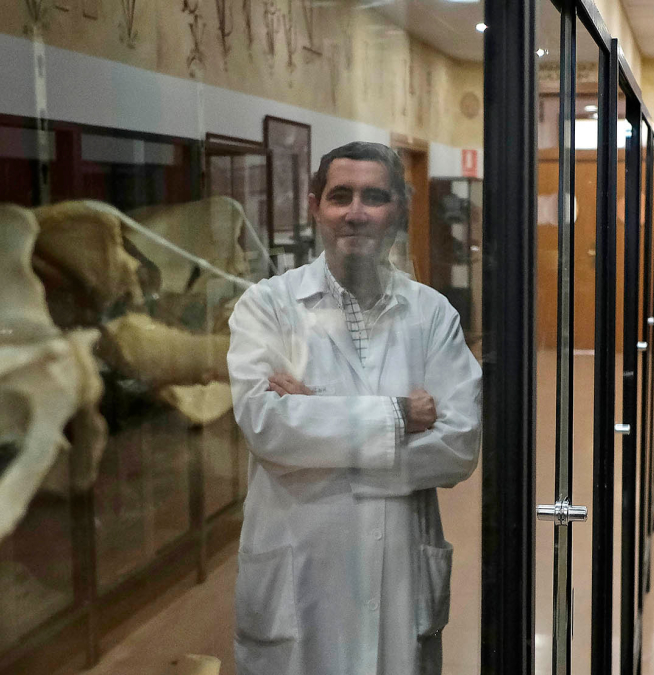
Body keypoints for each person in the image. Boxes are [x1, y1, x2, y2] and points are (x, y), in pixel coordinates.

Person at [227, 141, 482, 674]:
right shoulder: (267, 307)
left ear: (399, 210)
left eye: (375, 197)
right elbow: (266, 427)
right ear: (315, 206)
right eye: (340, 196)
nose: (356, 212)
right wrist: (398, 417)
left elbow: (458, 446)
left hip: (398, 579)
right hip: (297, 576)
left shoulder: (433, 315)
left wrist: (318, 434)